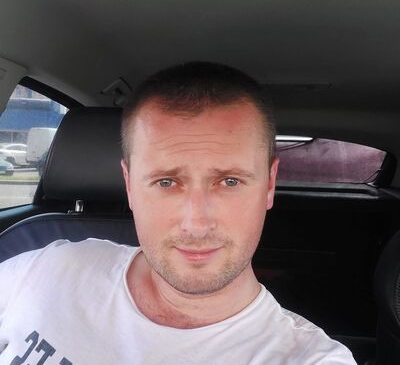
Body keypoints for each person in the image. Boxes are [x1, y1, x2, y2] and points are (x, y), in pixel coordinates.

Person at [0, 62, 356, 364]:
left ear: (269, 185)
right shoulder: (50, 268)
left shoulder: (307, 357)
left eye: (230, 181)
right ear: (130, 185)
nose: (196, 223)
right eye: (167, 182)